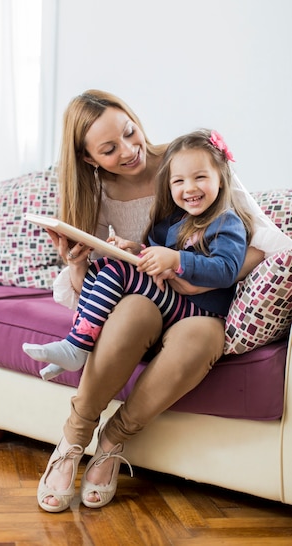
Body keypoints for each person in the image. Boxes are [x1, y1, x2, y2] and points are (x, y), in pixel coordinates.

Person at [33, 90, 292, 513]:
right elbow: (137, 258)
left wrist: (192, 275)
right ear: (89, 160)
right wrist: (83, 262)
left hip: (197, 310)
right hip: (147, 302)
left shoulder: (188, 162)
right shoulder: (97, 194)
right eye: (110, 149)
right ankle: (73, 439)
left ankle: (113, 441)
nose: (131, 150)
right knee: (132, 306)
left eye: (130, 132)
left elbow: (268, 243)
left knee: (200, 338)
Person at [23, 129, 253, 378]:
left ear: (220, 178)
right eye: (179, 181)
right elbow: (160, 254)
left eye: (200, 177)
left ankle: (76, 347)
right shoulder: (176, 220)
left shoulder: (226, 222)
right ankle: (77, 343)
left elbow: (226, 270)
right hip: (175, 298)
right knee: (103, 266)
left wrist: (176, 259)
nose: (190, 188)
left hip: (199, 309)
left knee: (118, 271)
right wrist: (137, 250)